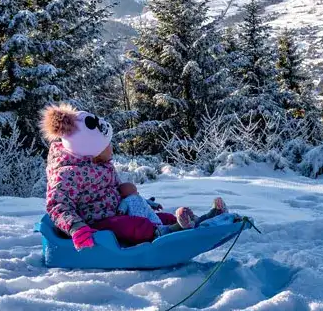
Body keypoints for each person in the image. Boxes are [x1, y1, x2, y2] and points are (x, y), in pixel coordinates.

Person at [41, 103, 226, 250]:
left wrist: (142, 201)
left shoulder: (101, 165)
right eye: (107, 145)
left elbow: (116, 191)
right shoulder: (67, 174)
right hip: (94, 223)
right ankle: (169, 233)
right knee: (132, 226)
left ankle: (198, 221)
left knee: (162, 217)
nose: (111, 148)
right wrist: (76, 227)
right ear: (91, 152)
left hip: (116, 211)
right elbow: (57, 206)